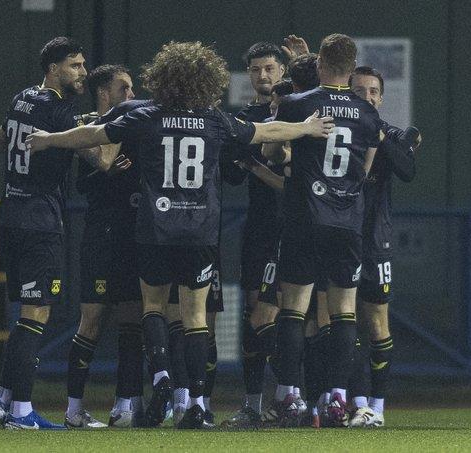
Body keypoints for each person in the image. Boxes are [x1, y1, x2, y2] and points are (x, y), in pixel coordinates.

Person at [25, 40, 335, 429]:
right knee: (194, 319)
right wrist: (306, 127)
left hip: (155, 229)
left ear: (163, 79)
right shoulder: (213, 119)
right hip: (200, 233)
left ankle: (161, 375)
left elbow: (94, 134)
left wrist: (48, 139)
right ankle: (197, 404)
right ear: (207, 80)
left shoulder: (147, 115)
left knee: (152, 307)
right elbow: (263, 130)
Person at [263, 33, 380, 427]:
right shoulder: (367, 113)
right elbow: (364, 169)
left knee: (294, 309)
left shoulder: (299, 103)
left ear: (319, 64)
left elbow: (273, 152)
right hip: (347, 222)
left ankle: (290, 396)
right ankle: (338, 398)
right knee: (344, 312)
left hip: (305, 217)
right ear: (352, 66)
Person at [0, 36, 88, 430]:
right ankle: (22, 412)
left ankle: (4, 395)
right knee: (36, 314)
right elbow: (96, 155)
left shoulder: (22, 97)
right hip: (39, 219)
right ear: (53, 69)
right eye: (75, 66)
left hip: (10, 213)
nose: (82, 72)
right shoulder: (60, 109)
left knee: (25, 314)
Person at [64, 64, 141, 429]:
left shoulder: (136, 124)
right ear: (104, 93)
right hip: (100, 235)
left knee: (131, 320)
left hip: (131, 235)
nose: (132, 95)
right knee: (91, 319)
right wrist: (104, 168)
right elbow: (83, 186)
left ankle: (124, 405)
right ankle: (74, 408)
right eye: (124, 88)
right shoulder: (90, 131)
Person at [346, 66, 420, 428]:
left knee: (375, 322)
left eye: (373, 91)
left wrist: (383, 138)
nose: (368, 97)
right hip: (339, 238)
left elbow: (408, 170)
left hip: (375, 241)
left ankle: (376, 404)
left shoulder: (387, 132)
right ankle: (344, 401)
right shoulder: (339, 131)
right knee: (339, 321)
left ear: (381, 97)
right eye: (359, 91)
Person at [224, 42, 288, 427]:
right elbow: (231, 173)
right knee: (254, 314)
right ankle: (254, 402)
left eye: (269, 68)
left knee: (299, 315)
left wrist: (256, 157)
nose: (263, 76)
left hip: (294, 225)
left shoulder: (299, 108)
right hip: (260, 225)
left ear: (281, 70)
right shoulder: (245, 117)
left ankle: (297, 398)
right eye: (256, 70)